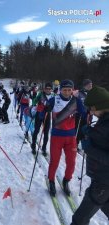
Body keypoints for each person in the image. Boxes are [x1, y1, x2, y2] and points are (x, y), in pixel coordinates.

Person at [71, 86, 109, 225]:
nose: (91, 112)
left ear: (101, 106)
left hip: (103, 182)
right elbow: (103, 137)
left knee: (79, 219)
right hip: (102, 178)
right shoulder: (105, 118)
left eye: (92, 109)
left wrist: (89, 148)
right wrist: (91, 132)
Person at [46, 79, 86, 197]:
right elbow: (44, 111)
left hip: (71, 137)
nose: (67, 92)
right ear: (60, 90)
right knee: (54, 161)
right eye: (64, 90)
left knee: (71, 162)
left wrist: (83, 108)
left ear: (72, 90)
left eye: (69, 90)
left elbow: (83, 114)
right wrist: (45, 109)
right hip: (57, 136)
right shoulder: (54, 100)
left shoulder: (76, 101)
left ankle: (66, 180)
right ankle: (52, 181)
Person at [31, 83, 54, 155]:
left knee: (46, 132)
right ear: (44, 89)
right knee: (36, 130)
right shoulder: (41, 94)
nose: (48, 90)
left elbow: (55, 105)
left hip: (47, 115)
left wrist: (50, 108)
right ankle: (33, 146)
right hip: (40, 114)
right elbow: (34, 101)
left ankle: (44, 148)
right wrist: (36, 104)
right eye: (46, 88)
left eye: (49, 89)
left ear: (51, 89)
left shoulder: (53, 96)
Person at [75, 79, 93, 151]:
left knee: (86, 130)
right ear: (85, 85)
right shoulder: (79, 93)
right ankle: (75, 143)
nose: (90, 86)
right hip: (80, 115)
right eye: (89, 85)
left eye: (91, 84)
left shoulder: (92, 93)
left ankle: (84, 145)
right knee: (78, 130)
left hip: (89, 114)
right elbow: (75, 102)